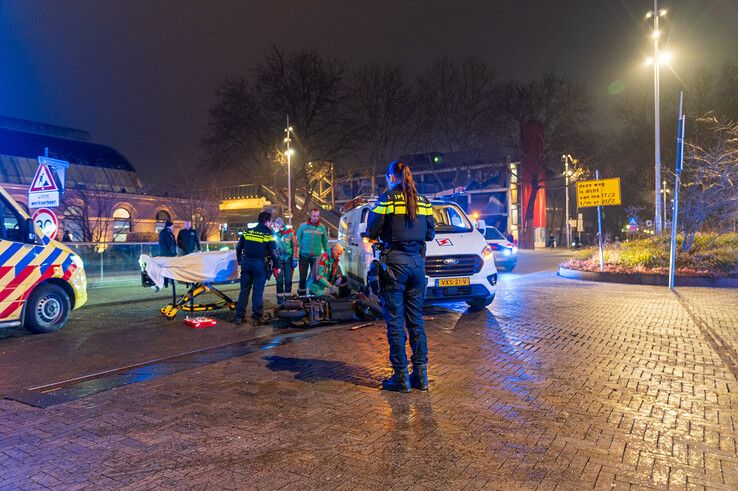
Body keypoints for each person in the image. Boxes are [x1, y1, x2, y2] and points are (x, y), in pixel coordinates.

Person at [366, 160, 435, 393]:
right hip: (417, 265)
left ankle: (401, 378)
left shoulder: (386, 199)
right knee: (416, 322)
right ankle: (421, 376)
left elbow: (371, 230)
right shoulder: (423, 201)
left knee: (395, 323)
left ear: (391, 177)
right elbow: (430, 234)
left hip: (394, 265)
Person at [235, 211, 280, 325]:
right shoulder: (268, 234)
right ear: (267, 221)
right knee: (257, 292)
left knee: (244, 291)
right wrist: (277, 266)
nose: (271, 224)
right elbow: (274, 253)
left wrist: (240, 260)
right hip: (259, 265)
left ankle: (240, 317)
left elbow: (238, 247)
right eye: (270, 222)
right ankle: (256, 318)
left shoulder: (247, 232)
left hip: (246, 263)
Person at [296, 208, 329, 293]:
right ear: (310, 216)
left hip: (317, 257)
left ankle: (313, 294)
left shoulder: (322, 227)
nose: (316, 218)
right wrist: (300, 248)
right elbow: (297, 239)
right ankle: (301, 294)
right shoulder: (303, 226)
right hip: (304, 256)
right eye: (314, 216)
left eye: (317, 216)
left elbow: (325, 241)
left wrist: (326, 254)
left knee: (315, 277)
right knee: (303, 276)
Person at [273, 218, 299, 304]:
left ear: (281, 225)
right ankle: (280, 300)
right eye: (275, 226)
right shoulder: (273, 233)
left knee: (288, 280)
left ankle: (288, 298)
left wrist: (295, 259)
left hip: (288, 259)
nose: (276, 227)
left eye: (277, 226)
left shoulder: (290, 233)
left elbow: (295, 246)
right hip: (278, 260)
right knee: (279, 280)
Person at [158, 220, 177, 288]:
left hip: (166, 253)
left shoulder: (165, 232)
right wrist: (173, 253)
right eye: (172, 226)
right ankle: (168, 282)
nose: (173, 227)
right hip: (168, 254)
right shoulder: (167, 233)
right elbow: (170, 244)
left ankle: (167, 282)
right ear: (170, 226)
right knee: (168, 268)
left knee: (167, 268)